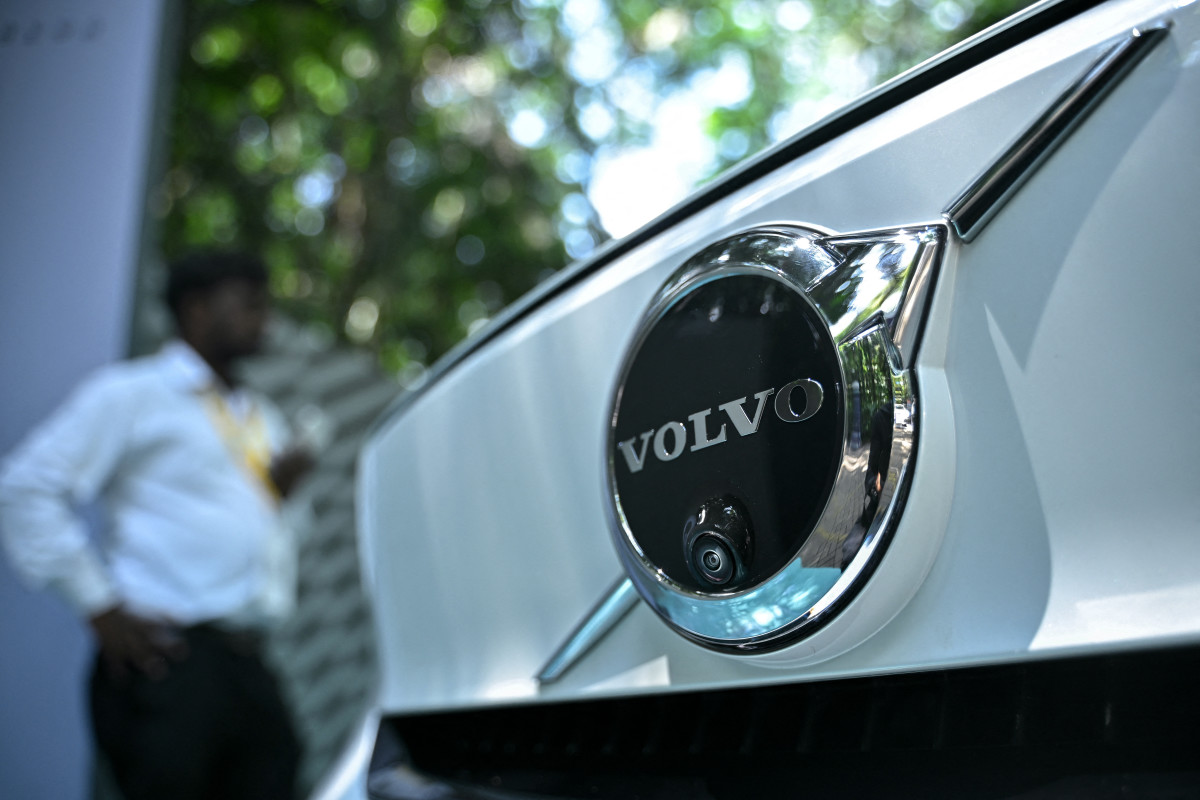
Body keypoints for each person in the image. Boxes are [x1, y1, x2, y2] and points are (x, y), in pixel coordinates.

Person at [0, 251, 313, 800]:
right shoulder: (133, 393)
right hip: (168, 658)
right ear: (196, 309)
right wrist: (97, 603)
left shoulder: (261, 417)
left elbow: (268, 535)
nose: (264, 319)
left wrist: (282, 497)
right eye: (248, 304)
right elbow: (26, 487)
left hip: (246, 659)